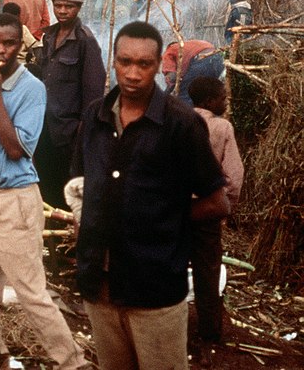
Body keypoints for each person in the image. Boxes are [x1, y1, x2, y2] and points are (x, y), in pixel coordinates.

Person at [71, 21, 229, 370]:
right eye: (125, 61)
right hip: (99, 287)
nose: (133, 73)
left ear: (159, 65)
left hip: (155, 288)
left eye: (144, 64)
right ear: (113, 61)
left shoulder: (180, 123)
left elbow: (217, 202)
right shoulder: (95, 117)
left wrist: (162, 218)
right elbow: (80, 185)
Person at [0, 13, 87, 370]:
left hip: (15, 200)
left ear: (20, 47)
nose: (0, 50)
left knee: (31, 292)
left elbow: (14, 149)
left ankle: (73, 362)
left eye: (9, 43)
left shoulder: (31, 89)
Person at [187, 76, 244, 365]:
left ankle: (167, 324)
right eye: (223, 97)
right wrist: (224, 206)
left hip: (174, 209)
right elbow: (233, 175)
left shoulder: (178, 121)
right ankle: (208, 336)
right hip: (207, 209)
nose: (226, 101)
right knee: (207, 271)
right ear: (210, 100)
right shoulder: (222, 127)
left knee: (170, 264)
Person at [36, 0, 105, 209]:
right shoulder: (48, 36)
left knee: (68, 183)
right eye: (58, 6)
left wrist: (83, 128)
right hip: (45, 124)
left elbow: (93, 90)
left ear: (79, 8)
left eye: (69, 6)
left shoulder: (85, 41)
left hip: (69, 129)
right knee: (44, 178)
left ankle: (68, 226)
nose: (63, 11)